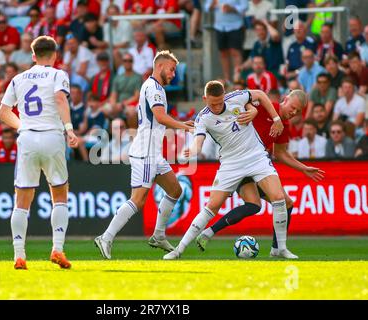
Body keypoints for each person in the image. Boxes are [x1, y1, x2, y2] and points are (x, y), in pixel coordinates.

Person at [163, 81, 299, 260]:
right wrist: (194, 151)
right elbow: (199, 141)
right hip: (231, 164)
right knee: (212, 206)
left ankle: (280, 248)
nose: (218, 106)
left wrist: (276, 119)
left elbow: (260, 94)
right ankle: (178, 250)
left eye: (220, 102)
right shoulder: (203, 118)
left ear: (224, 96)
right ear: (205, 99)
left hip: (256, 156)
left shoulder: (236, 98)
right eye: (213, 103)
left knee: (279, 198)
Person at [193, 87, 323, 259]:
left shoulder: (284, 125)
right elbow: (241, 101)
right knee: (256, 203)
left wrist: (303, 168)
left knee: (282, 203)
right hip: (237, 162)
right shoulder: (266, 106)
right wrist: (252, 110)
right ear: (285, 100)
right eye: (293, 107)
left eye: (298, 111)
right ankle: (208, 233)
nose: (294, 112)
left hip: (256, 166)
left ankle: (276, 248)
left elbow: (281, 153)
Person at [94, 51, 194, 260]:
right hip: (146, 152)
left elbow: (160, 117)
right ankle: (106, 237)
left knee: (175, 190)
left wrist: (181, 123)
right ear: (159, 67)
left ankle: (158, 235)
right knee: (138, 201)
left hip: (154, 152)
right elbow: (160, 116)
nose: (174, 74)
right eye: (171, 69)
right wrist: (183, 127)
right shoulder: (153, 88)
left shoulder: (154, 88)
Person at [0, 35, 79, 270]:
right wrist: (70, 129)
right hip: (53, 137)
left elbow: (3, 112)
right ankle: (57, 249)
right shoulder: (58, 74)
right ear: (54, 55)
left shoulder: (18, 78)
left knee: (22, 200)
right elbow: (59, 98)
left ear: (33, 56)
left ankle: (19, 255)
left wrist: (22, 126)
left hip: (28, 139)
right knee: (60, 194)